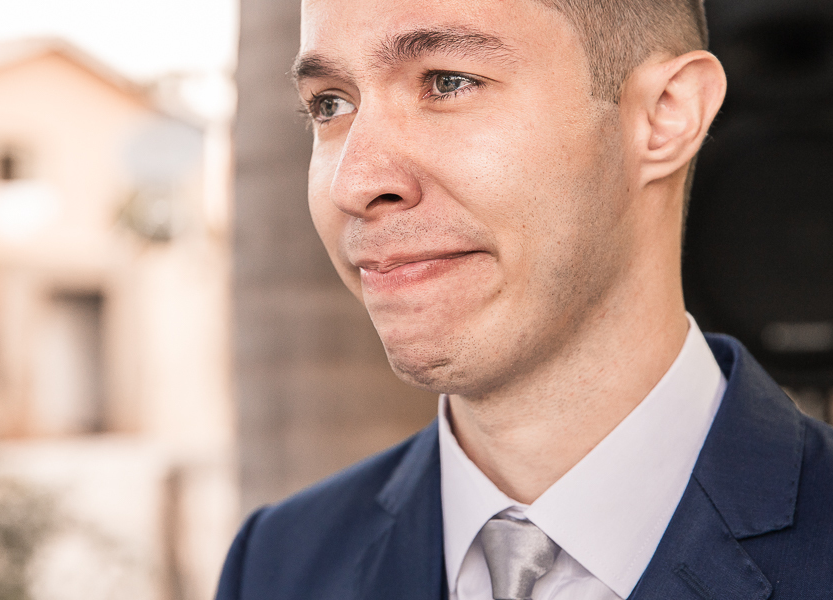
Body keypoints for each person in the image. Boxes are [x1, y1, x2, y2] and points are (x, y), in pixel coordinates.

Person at [216, 0, 833, 598]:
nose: (356, 182)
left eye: (448, 81)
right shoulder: (276, 564)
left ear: (665, 114)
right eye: (330, 104)